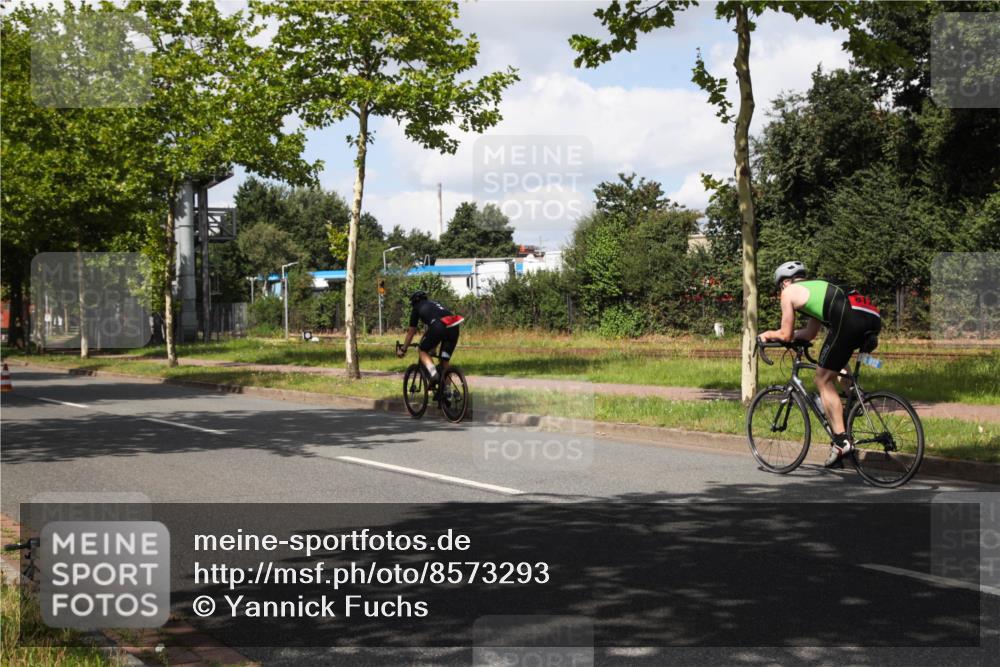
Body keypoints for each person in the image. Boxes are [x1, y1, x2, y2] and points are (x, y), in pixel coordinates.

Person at [759, 261, 882, 467]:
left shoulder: (789, 293)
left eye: (781, 285)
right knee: (835, 364)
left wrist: (767, 335)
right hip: (871, 316)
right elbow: (809, 333)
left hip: (849, 318)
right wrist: (788, 338)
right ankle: (853, 399)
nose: (781, 290)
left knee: (822, 379)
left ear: (786, 282)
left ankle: (842, 440)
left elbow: (786, 333)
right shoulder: (816, 289)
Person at [396, 290, 464, 390]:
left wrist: (403, 349)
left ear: (414, 301)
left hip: (438, 326)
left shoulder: (416, 308)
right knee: (444, 361)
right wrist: (433, 346)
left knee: (422, 350)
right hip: (453, 327)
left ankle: (433, 374)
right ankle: (448, 393)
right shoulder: (435, 304)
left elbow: (411, 332)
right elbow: (437, 327)